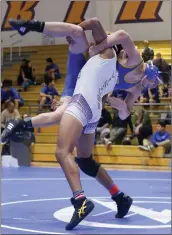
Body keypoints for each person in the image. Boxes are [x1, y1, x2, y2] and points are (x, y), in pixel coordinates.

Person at [3, 18, 134, 230]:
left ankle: (80, 200)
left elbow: (94, 22)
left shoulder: (105, 52)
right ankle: (119, 196)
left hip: (82, 104)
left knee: (62, 152)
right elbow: (99, 96)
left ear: (109, 44)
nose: (93, 43)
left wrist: (79, 31)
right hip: (93, 112)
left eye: (100, 41)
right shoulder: (113, 73)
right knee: (86, 161)